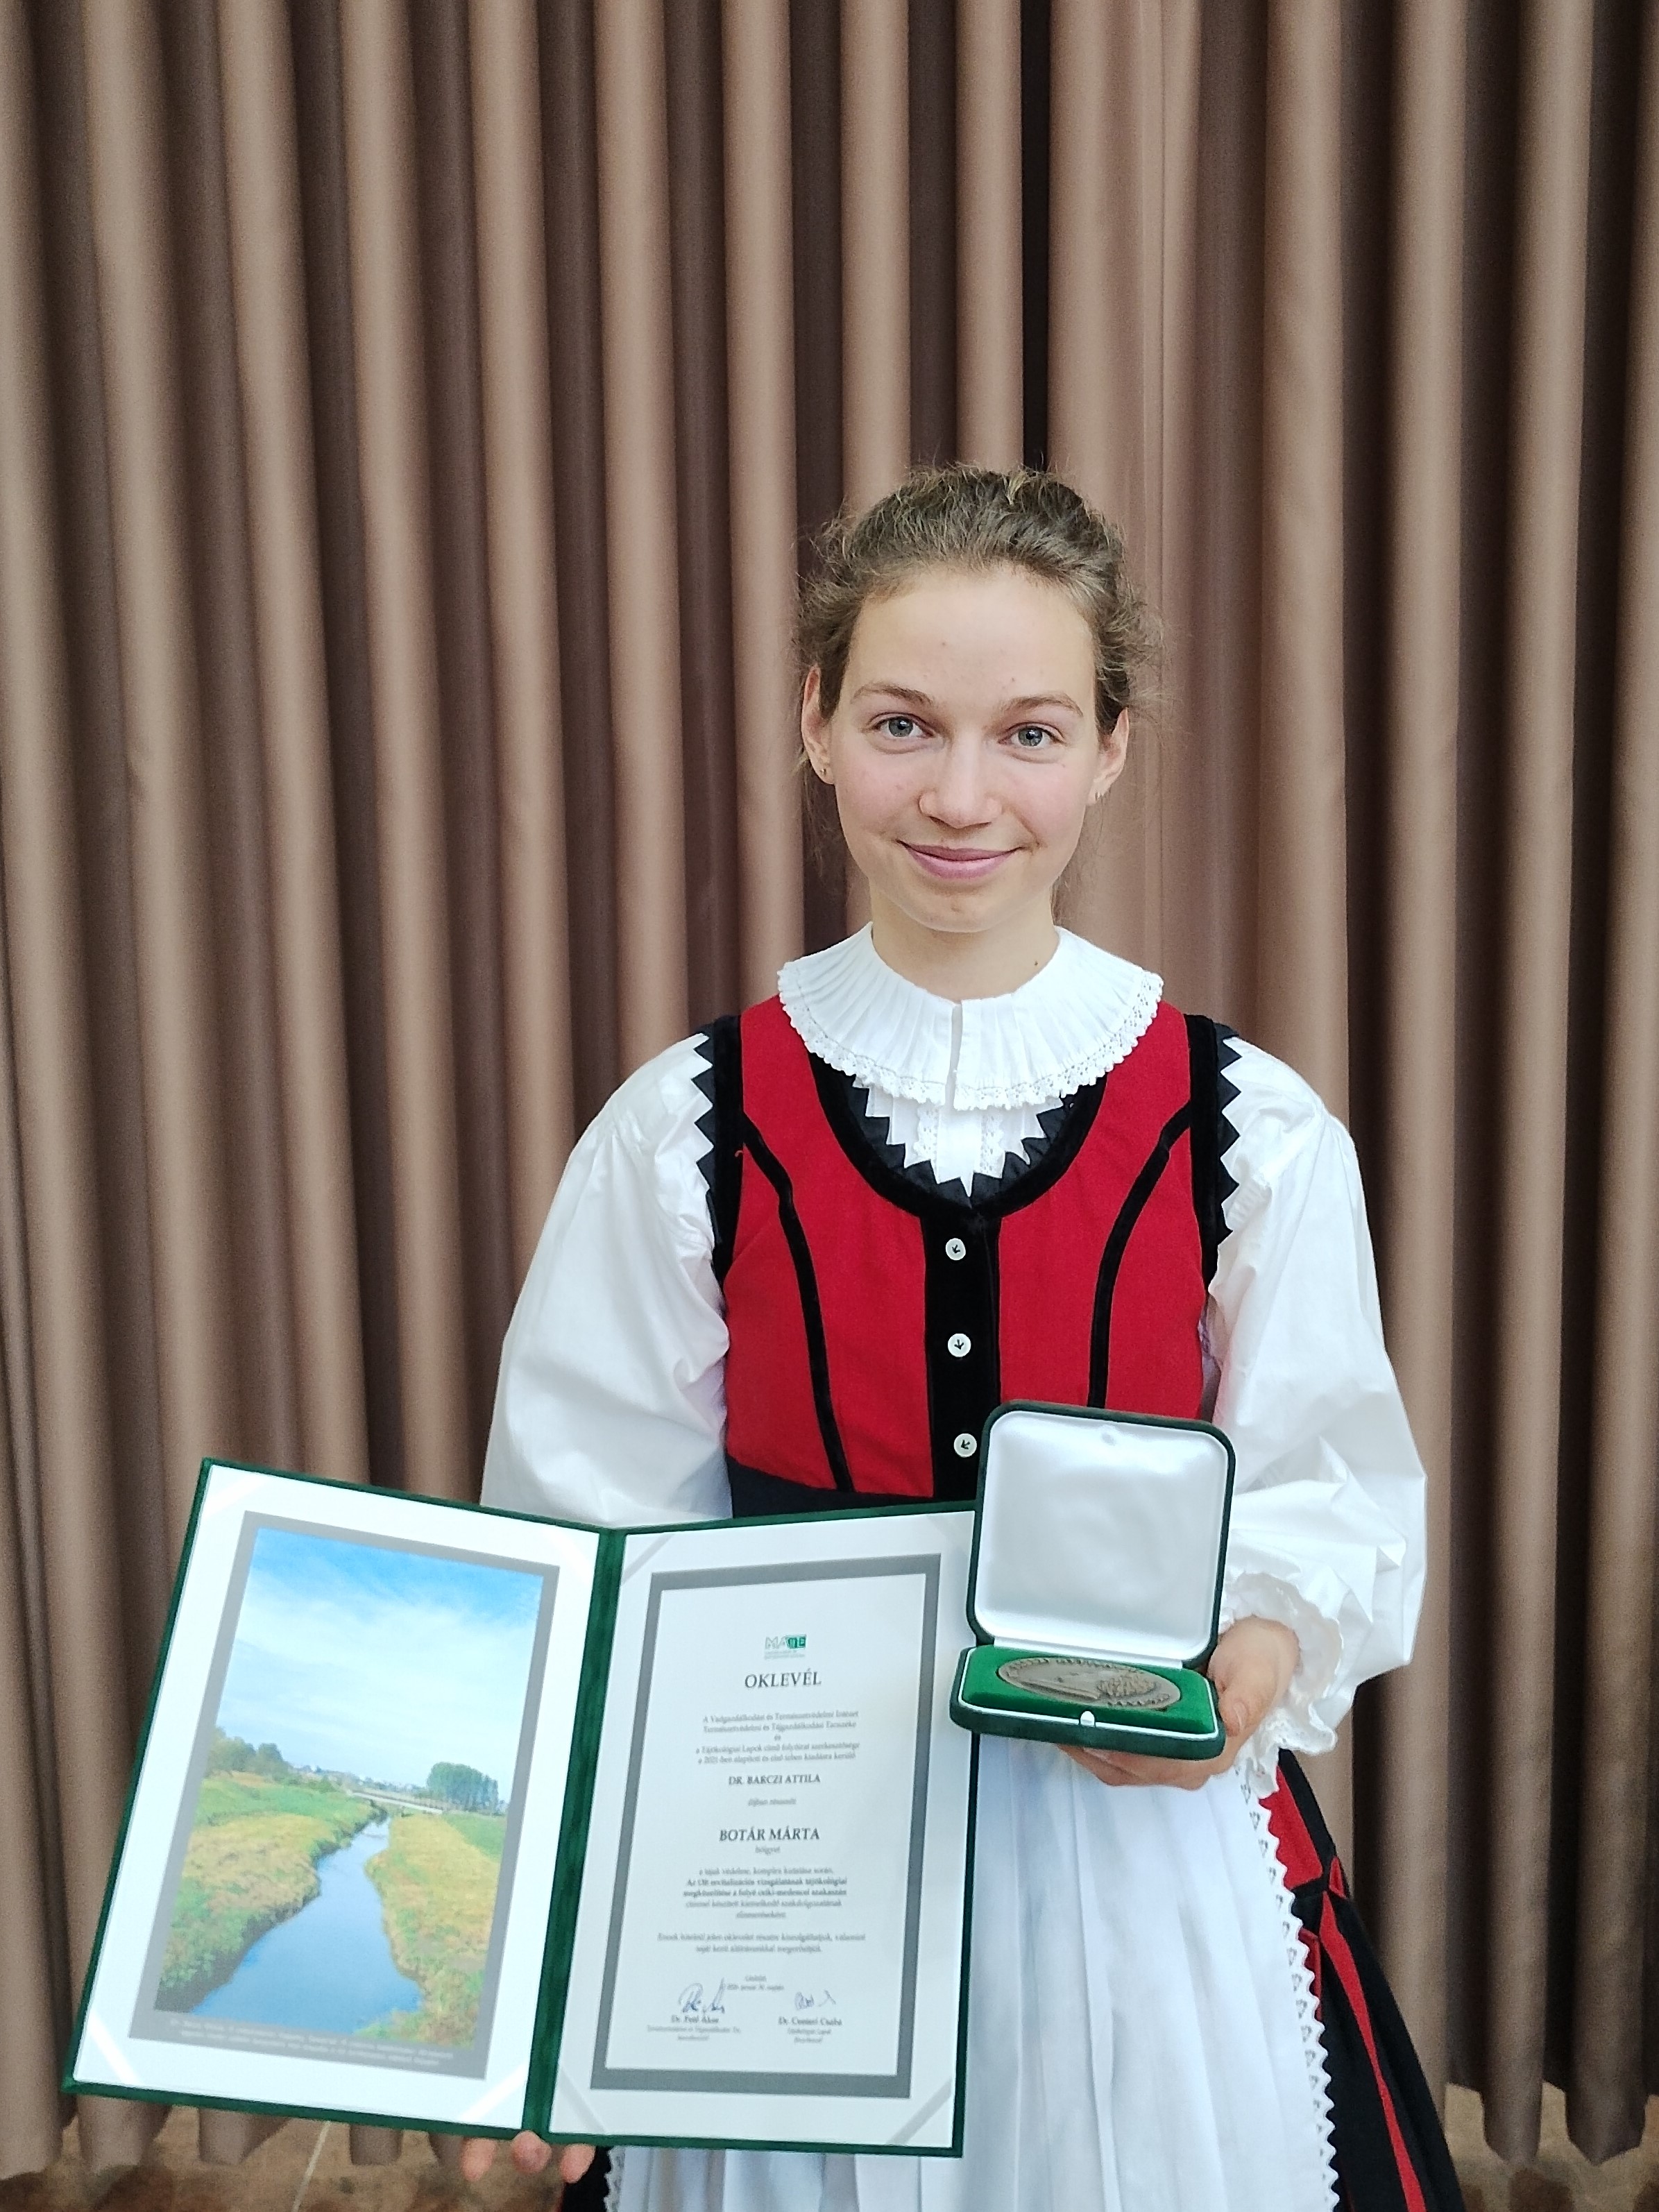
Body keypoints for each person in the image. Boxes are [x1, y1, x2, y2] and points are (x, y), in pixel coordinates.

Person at [460, 467, 1463, 2211]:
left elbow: (1327, 1495)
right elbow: (588, 1551)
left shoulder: (1250, 1126)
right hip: (780, 1859)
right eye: (902, 723)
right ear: (815, 723)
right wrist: (558, 1961)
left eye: (1029, 733)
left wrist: (1236, 1677)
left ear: (1110, 748)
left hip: (1138, 1873)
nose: (959, 795)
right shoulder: (681, 1127)